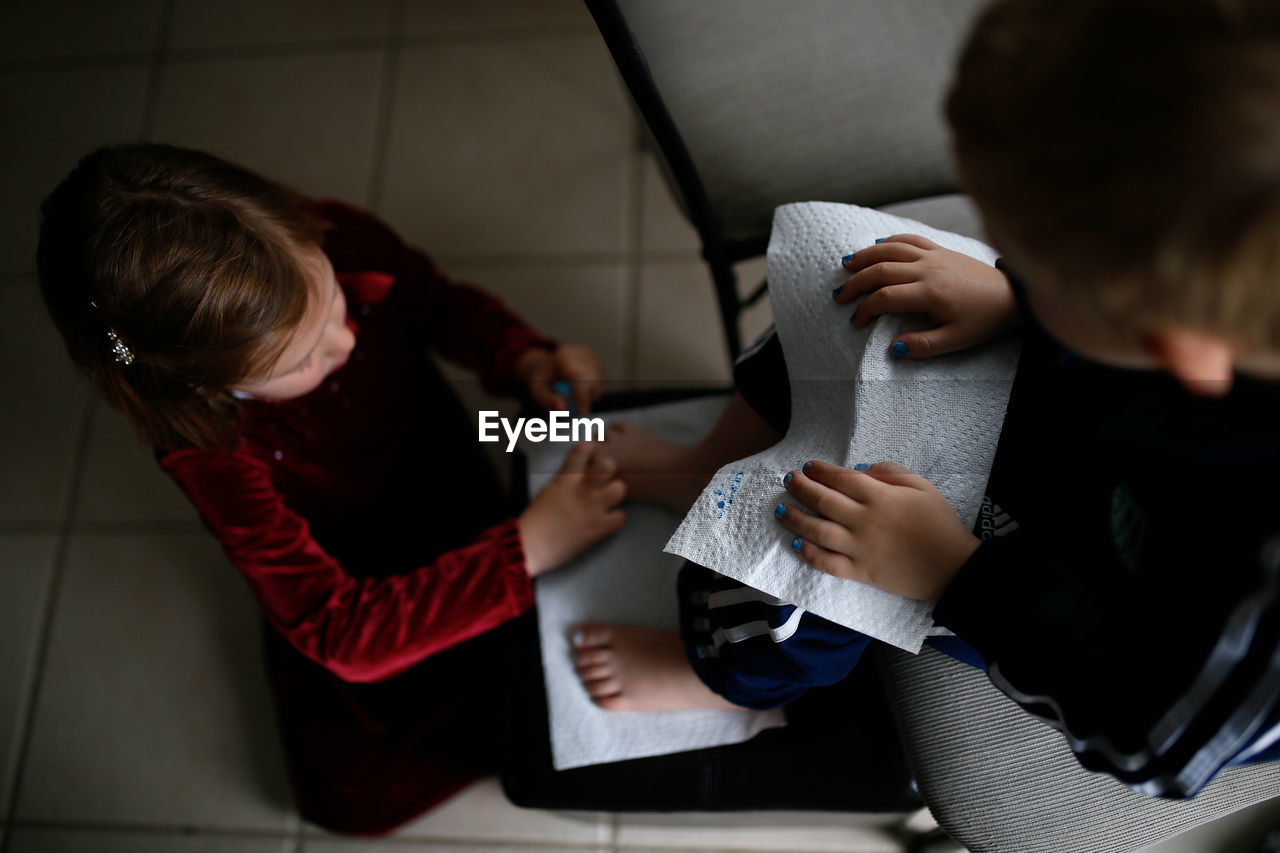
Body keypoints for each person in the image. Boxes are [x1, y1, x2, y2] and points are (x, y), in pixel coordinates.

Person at [575, 0, 1280, 799]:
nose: (989, 245)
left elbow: (1153, 736)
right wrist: (1019, 297)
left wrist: (949, 573)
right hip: (1102, 423)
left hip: (1078, 602)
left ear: (1164, 342)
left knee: (805, 539)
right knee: (859, 300)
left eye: (1027, 256)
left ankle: (720, 676)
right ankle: (698, 470)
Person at [36, 142, 628, 835]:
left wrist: (522, 353)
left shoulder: (340, 232)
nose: (345, 340)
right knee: (355, 796)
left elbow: (435, 302)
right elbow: (335, 627)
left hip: (445, 473)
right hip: (351, 557)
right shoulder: (210, 451)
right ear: (205, 383)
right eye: (302, 356)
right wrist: (525, 550)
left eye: (338, 301)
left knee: (551, 676)